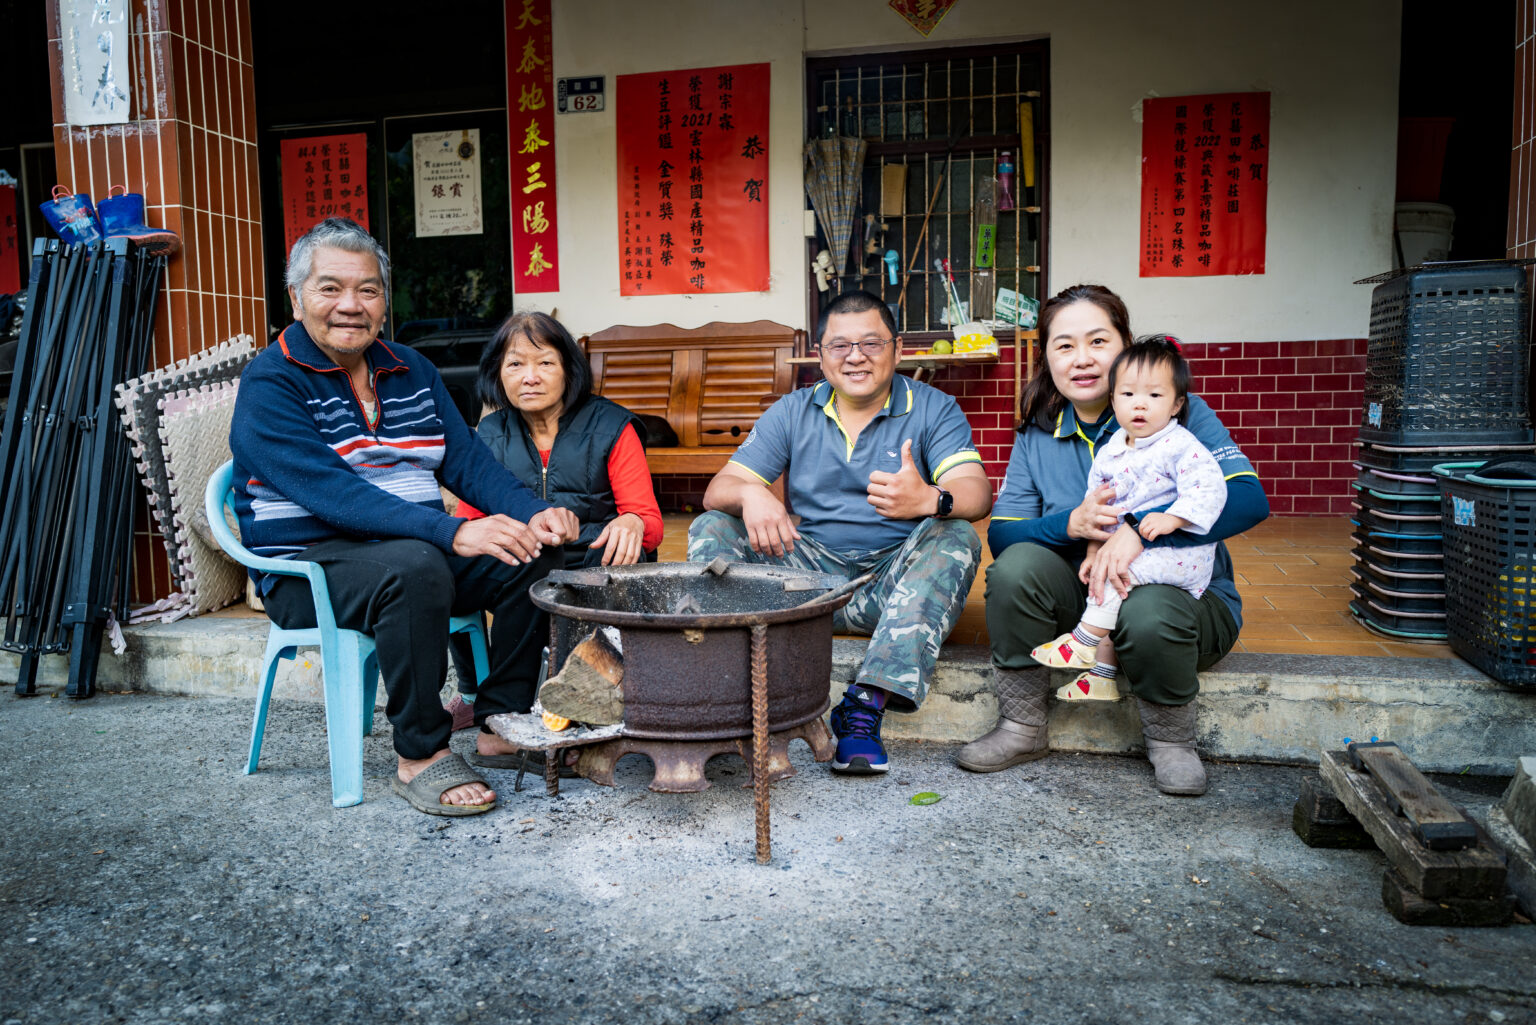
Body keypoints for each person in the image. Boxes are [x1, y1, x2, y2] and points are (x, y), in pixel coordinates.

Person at [229, 217, 579, 817]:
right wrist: (453, 531)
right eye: (330, 288)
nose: (350, 306)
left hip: (414, 550)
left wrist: (534, 511)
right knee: (417, 568)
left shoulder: (410, 370)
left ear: (384, 301)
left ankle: (498, 720)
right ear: (296, 297)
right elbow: (337, 495)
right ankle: (420, 754)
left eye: (367, 290)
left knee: (537, 554)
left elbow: (467, 464)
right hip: (308, 569)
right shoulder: (271, 383)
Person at [956, 283, 1269, 795]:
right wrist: (1071, 524)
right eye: (1064, 345)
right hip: (1089, 604)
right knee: (1015, 571)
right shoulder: (1038, 431)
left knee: (1149, 610)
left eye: (1098, 341)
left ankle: (1171, 742)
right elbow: (1006, 534)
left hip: (1183, 607)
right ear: (1047, 358)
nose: (1082, 359)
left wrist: (1141, 529)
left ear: (1126, 343)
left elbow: (1250, 500)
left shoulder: (1178, 416)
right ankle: (1022, 726)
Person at [687, 289, 992, 775]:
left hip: (895, 584)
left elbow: (976, 493)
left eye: (871, 343)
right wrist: (751, 495)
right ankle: (722, 690)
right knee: (714, 525)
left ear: (897, 349)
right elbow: (717, 490)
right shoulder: (792, 411)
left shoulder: (933, 407)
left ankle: (863, 707)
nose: (855, 357)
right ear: (821, 355)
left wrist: (932, 499)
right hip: (805, 584)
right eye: (840, 345)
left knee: (956, 537)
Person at [444, 311, 664, 735]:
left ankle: (576, 697)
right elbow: (470, 520)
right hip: (521, 563)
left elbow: (649, 520)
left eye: (544, 363)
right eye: (515, 364)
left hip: (593, 562)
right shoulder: (489, 433)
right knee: (451, 567)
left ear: (569, 370)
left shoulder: (611, 426)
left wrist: (632, 522)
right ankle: (475, 693)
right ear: (497, 374)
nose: (530, 377)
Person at [1029, 336, 1225, 702]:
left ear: (1176, 404)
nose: (1140, 405)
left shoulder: (1180, 445)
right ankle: (1103, 676)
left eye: (1154, 396)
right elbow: (1097, 508)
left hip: (1177, 552)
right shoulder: (1112, 450)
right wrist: (1092, 550)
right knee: (1107, 581)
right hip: (1129, 549)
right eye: (1128, 394)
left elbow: (1211, 488)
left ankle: (1083, 640)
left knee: (1117, 576)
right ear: (1113, 399)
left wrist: (1173, 518)